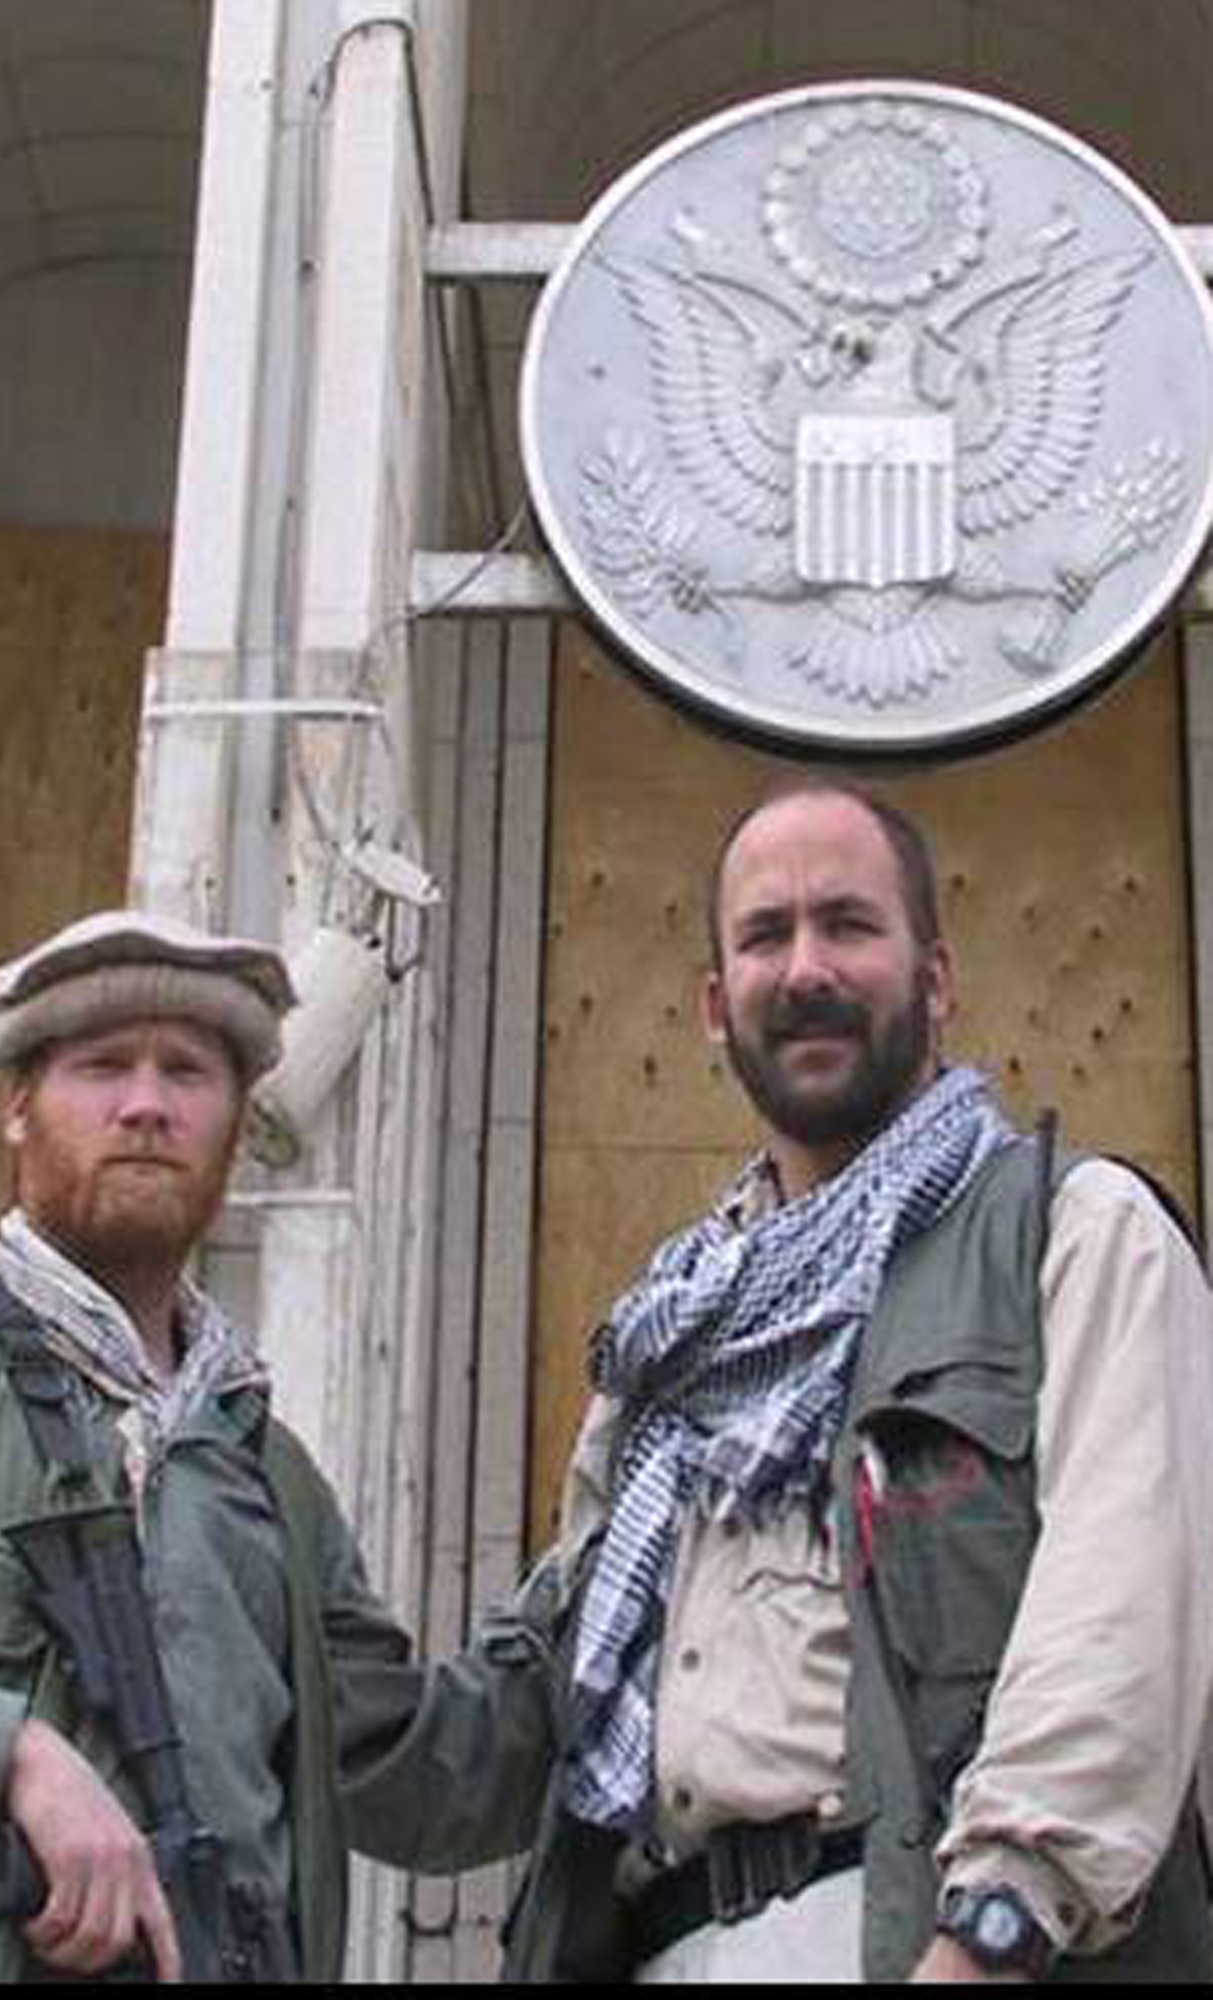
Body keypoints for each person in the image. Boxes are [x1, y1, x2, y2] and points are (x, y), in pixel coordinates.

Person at [474, 779, 1213, 1983]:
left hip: (931, 1941)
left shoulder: (1072, 1230)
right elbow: (548, 1682)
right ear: (717, 1007)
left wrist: (992, 1931)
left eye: (848, 924)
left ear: (936, 979)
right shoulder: (672, 1327)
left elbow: (1119, 1616)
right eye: (766, 935)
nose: (805, 965)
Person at [0, 909, 552, 1983]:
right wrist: (5, 1751)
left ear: (234, 1125)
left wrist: (618, 1550)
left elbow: (432, 1778)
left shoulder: (273, 1481)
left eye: (187, 1072)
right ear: (17, 1105)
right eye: (102, 1064)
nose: (146, 1103)